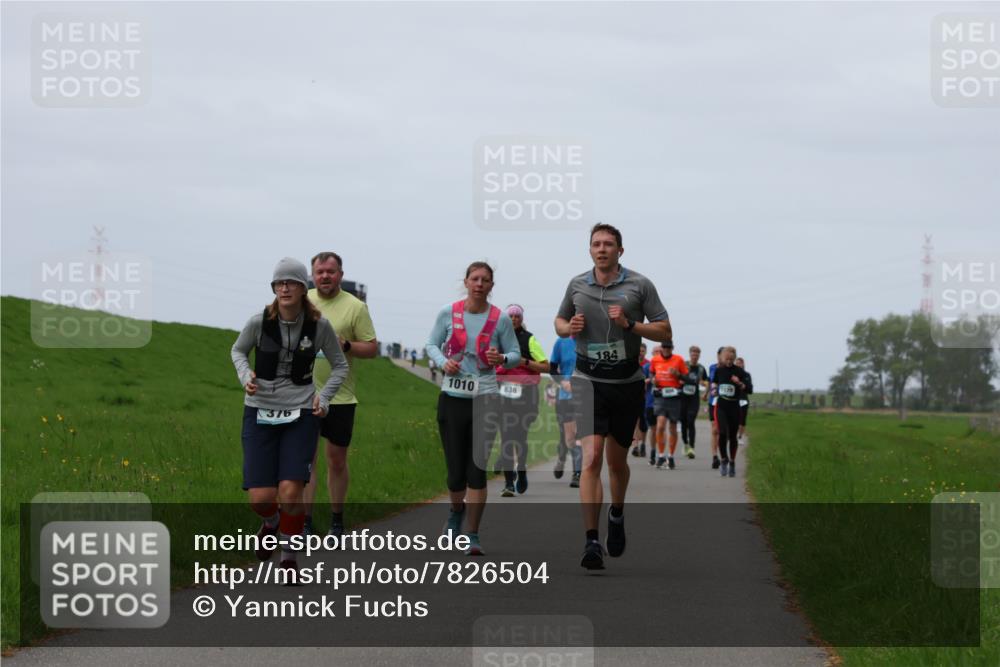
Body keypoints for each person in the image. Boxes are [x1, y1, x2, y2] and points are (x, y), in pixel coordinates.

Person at [555, 223, 671, 570]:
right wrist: (568, 328)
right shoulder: (577, 284)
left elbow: (665, 329)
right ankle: (592, 541)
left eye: (608, 244)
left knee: (616, 463)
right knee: (591, 459)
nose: (601, 249)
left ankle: (616, 514)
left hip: (626, 384)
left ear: (620, 251)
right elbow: (559, 322)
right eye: (596, 244)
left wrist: (632, 326)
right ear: (589, 250)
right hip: (587, 380)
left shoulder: (639, 285)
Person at [230, 258, 349, 581]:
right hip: (259, 411)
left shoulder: (319, 326)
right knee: (262, 498)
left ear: (302, 288)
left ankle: (288, 557)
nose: (284, 288)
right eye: (279, 283)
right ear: (274, 289)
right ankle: (270, 523)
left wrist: (323, 399)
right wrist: (246, 376)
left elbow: (340, 366)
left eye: (291, 283)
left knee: (291, 491)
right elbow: (238, 351)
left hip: (300, 414)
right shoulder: (259, 322)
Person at [426, 261, 520, 556]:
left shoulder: (500, 319)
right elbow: (431, 345)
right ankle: (456, 512)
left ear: (492, 286)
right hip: (453, 398)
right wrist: (444, 363)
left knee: (476, 471)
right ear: (465, 282)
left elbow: (516, 355)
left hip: (486, 398)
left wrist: (501, 357)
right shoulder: (449, 312)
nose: (480, 284)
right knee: (455, 474)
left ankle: (473, 534)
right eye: (475, 278)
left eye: (485, 280)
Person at [302, 252, 378, 540]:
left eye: (330, 272)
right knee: (305, 461)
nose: (325, 276)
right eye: (320, 272)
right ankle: (305, 523)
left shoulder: (355, 307)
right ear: (312, 275)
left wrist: (345, 345)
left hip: (341, 398)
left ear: (340, 275)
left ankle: (336, 520)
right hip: (305, 395)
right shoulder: (302, 300)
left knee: (335, 460)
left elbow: (371, 349)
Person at [495, 304, 549, 496]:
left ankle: (522, 468)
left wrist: (524, 362)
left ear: (521, 319)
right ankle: (509, 484)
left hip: (526, 394)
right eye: (510, 316)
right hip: (503, 392)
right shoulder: (498, 338)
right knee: (507, 437)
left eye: (517, 316)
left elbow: (546, 367)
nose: (513, 319)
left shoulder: (529, 339)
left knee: (519, 437)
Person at [648, 341, 688, 469]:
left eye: (668, 347)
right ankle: (660, 455)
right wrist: (653, 379)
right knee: (660, 426)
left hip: (674, 396)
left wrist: (678, 375)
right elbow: (651, 373)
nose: (666, 349)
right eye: (664, 347)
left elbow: (686, 378)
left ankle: (670, 456)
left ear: (672, 348)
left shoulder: (679, 360)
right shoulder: (655, 360)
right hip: (660, 396)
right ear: (661, 348)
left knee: (672, 427)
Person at [711, 347, 750, 478]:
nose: (728, 361)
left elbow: (749, 389)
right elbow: (714, 383)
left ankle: (732, 462)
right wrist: (714, 389)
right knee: (722, 433)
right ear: (722, 358)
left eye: (731, 359)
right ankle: (723, 460)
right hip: (721, 405)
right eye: (726, 359)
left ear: (734, 359)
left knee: (732, 436)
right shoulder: (719, 370)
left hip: (734, 406)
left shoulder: (739, 371)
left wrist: (739, 383)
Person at [550, 334, 582, 487]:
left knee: (580, 435)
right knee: (567, 436)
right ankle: (561, 457)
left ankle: (577, 473)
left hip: (587, 397)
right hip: (565, 396)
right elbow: (552, 368)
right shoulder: (561, 342)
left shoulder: (593, 340)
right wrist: (562, 382)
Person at [679, 345, 709, 459]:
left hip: (694, 398)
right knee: (683, 422)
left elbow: (706, 382)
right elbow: (678, 377)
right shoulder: (684, 365)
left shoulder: (701, 368)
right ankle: (686, 444)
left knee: (691, 420)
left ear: (699, 355)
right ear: (690, 354)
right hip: (682, 397)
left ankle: (692, 447)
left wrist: (705, 393)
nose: (695, 356)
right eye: (693, 354)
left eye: (697, 354)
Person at [629, 343, 649, 457]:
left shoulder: (649, 364)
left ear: (645, 352)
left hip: (646, 397)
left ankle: (643, 444)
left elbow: (652, 377)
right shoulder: (632, 363)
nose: (641, 353)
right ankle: (635, 445)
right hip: (633, 397)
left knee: (643, 423)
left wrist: (646, 381)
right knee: (634, 422)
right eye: (639, 351)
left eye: (643, 351)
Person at [707, 347, 723, 469]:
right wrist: (706, 393)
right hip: (713, 402)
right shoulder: (712, 367)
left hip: (725, 402)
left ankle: (723, 454)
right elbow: (710, 382)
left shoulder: (731, 369)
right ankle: (715, 457)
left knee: (723, 431)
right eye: (720, 355)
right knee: (714, 430)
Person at [735, 356, 753, 441]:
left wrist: (743, 385)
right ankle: (732, 435)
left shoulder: (747, 375)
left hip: (743, 399)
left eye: (740, 363)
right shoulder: (732, 375)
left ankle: (740, 436)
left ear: (743, 364)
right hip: (734, 399)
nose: (738, 365)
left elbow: (750, 389)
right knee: (734, 418)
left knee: (742, 420)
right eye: (737, 363)